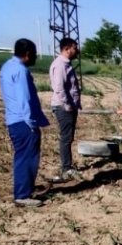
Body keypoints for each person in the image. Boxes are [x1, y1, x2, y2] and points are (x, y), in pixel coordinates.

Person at [0, 38, 50, 208]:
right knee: (27, 158)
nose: (36, 58)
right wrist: (31, 123)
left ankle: (25, 188)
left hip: (14, 120)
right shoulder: (21, 71)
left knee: (22, 156)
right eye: (35, 54)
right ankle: (22, 195)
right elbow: (25, 99)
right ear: (28, 54)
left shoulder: (7, 66)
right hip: (23, 122)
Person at [48, 37, 82, 179]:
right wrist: (67, 105)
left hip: (68, 107)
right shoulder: (61, 65)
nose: (77, 50)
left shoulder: (66, 64)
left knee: (68, 137)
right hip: (64, 108)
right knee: (66, 138)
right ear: (67, 49)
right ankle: (66, 168)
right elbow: (59, 88)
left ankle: (67, 166)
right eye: (75, 48)